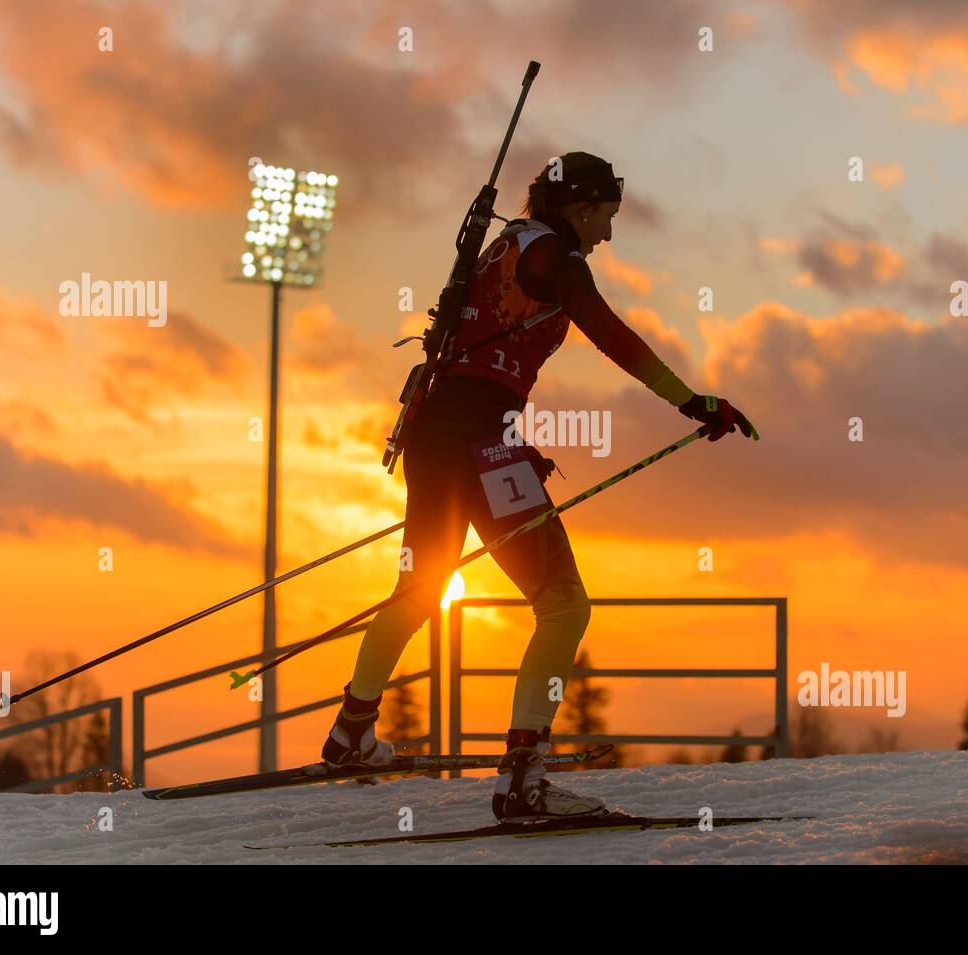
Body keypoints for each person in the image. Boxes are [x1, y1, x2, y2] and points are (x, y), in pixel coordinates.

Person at [321, 152, 756, 821]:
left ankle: (353, 729)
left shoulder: (507, 242)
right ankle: (523, 778)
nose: (608, 234)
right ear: (581, 206)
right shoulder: (557, 257)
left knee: (419, 588)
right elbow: (609, 332)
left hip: (436, 434)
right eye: (607, 216)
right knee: (563, 605)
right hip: (481, 444)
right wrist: (691, 400)